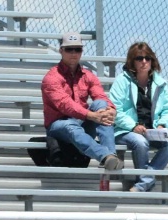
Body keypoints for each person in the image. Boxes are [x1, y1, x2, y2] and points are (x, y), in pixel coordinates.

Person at [41, 32, 122, 172]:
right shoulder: (51, 78)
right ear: (61, 50)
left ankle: (111, 155)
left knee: (101, 105)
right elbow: (65, 105)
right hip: (58, 126)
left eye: (77, 49)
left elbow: (101, 96)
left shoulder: (88, 76)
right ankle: (105, 156)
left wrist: (111, 110)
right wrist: (92, 115)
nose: (73, 53)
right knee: (69, 125)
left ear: (82, 51)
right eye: (69, 49)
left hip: (81, 122)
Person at [108, 42, 168, 192]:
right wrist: (133, 126)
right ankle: (145, 183)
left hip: (152, 129)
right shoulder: (121, 81)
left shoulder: (160, 83)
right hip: (124, 130)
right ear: (132, 61)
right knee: (141, 142)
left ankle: (143, 183)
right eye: (139, 58)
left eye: (147, 58)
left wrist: (162, 124)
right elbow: (114, 108)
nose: (144, 62)